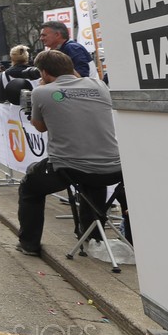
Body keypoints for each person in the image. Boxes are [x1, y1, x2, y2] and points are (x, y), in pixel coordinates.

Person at [16, 49, 124, 257]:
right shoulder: (99, 85)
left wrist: (45, 86)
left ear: (44, 73)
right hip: (112, 168)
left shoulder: (41, 92)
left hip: (68, 168)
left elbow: (40, 127)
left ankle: (29, 243)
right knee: (94, 182)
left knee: (30, 186)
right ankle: (91, 237)